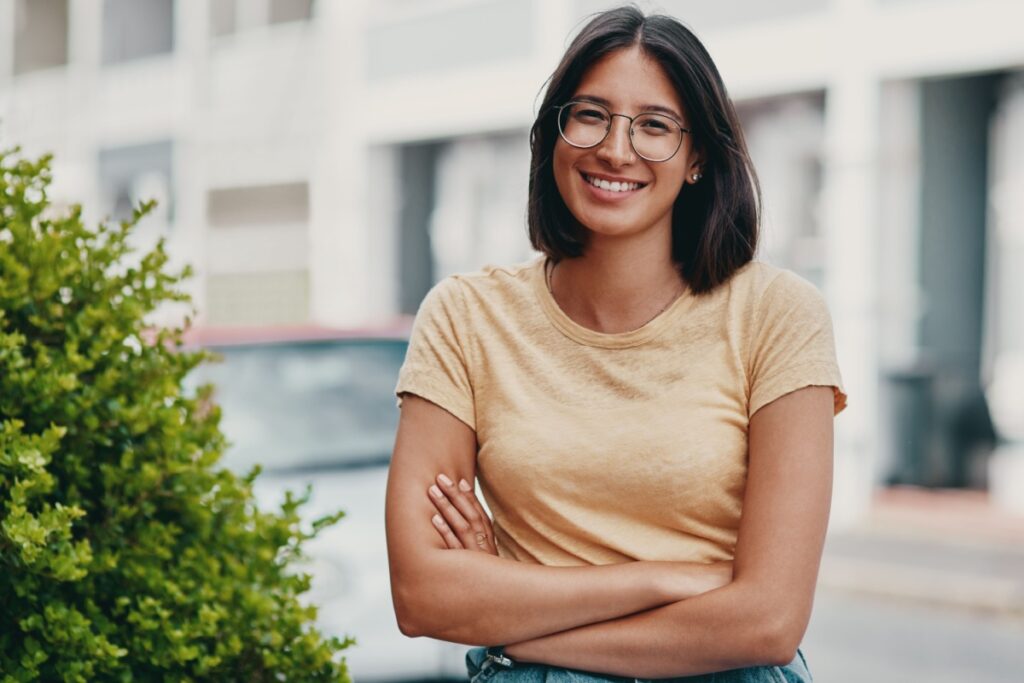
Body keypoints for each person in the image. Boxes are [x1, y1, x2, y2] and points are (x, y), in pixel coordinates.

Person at [385, 6, 847, 681]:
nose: (616, 148)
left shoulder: (778, 315)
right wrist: (660, 579)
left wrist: (516, 626)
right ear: (554, 136)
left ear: (697, 159)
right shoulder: (466, 317)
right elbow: (424, 594)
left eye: (655, 125)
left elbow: (768, 620)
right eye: (591, 114)